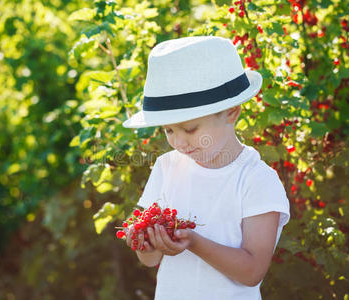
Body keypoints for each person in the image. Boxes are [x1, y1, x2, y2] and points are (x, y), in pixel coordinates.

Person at [121, 36, 290, 300]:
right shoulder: (167, 167)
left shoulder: (257, 180)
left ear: (231, 112)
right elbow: (151, 260)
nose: (179, 142)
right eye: (168, 130)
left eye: (190, 129)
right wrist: (144, 240)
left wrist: (194, 242)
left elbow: (252, 271)